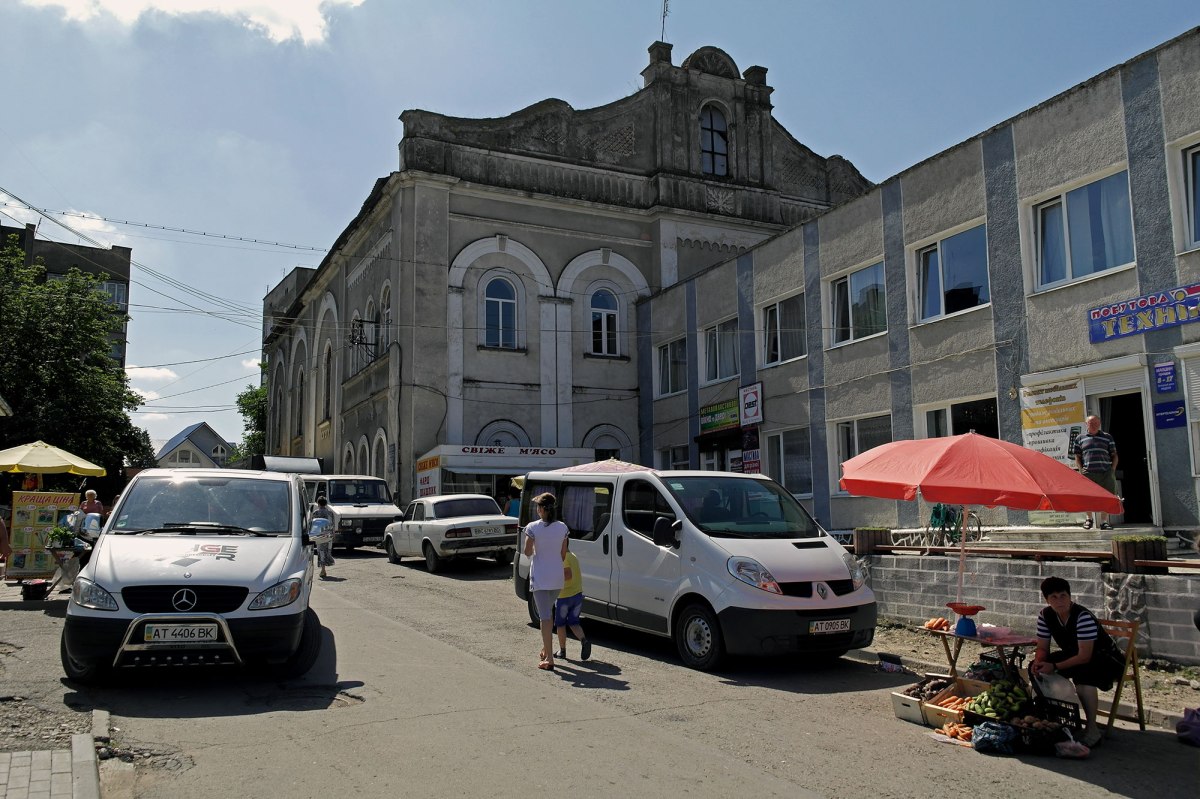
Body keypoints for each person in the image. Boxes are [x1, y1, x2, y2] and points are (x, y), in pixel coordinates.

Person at [1029, 576, 1125, 748]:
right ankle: (1056, 718)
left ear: (1070, 596)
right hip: (1074, 655)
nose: (1060, 601)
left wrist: (1055, 666)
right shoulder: (1045, 616)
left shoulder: (1082, 617)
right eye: (1054, 597)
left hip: (1105, 660)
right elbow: (1043, 646)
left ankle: (1092, 729)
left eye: (1063, 596)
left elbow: (1084, 656)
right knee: (1036, 669)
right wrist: (1040, 661)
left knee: (1083, 677)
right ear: (1046, 600)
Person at [523, 492, 569, 671]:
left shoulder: (532, 527)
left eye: (538, 507)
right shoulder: (562, 527)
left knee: (545, 618)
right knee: (549, 613)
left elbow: (527, 551)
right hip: (557, 577)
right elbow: (563, 554)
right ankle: (547, 647)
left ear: (542, 509)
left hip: (541, 577)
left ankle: (550, 659)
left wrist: (536, 547)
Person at [1074, 414, 1119, 530]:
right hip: (1088, 473)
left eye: (1096, 423)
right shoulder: (1080, 438)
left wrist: (1112, 470)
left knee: (1107, 497)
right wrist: (1080, 470)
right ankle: (1089, 519)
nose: (1093, 425)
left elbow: (1114, 455)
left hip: (1105, 473)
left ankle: (1104, 522)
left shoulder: (1107, 437)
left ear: (1099, 424)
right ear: (1086, 424)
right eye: (1091, 423)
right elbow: (1077, 457)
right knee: (1087, 497)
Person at [553, 541, 591, 661]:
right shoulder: (573, 556)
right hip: (577, 596)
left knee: (560, 624)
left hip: (564, 597)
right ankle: (584, 641)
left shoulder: (563, 558)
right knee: (574, 622)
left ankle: (562, 650)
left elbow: (567, 575)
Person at [311, 496, 336, 579]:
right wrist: (333, 534)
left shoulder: (315, 513)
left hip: (319, 535)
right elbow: (332, 524)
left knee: (321, 551)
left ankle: (323, 569)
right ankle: (323, 569)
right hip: (328, 535)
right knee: (327, 550)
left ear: (318, 503)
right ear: (326, 503)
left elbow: (313, 525)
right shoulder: (330, 513)